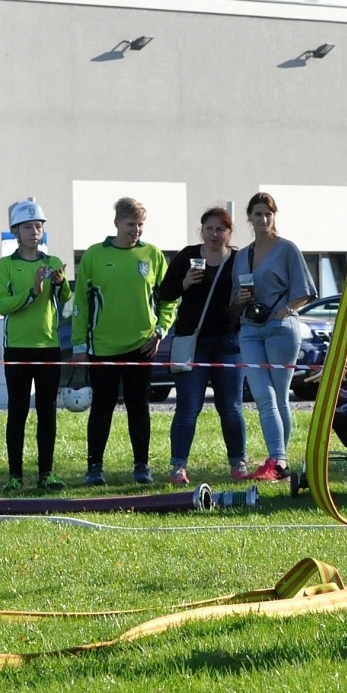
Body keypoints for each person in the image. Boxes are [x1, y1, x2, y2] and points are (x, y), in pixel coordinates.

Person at [71, 196, 175, 487]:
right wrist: (79, 345)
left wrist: (160, 332)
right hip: (102, 347)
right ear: (117, 223)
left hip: (142, 345)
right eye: (131, 224)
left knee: (138, 406)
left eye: (140, 225)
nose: (136, 230)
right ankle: (94, 467)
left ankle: (142, 465)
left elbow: (169, 300)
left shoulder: (153, 255)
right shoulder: (93, 255)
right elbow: (81, 304)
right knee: (102, 407)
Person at [158, 206, 247, 485]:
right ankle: (178, 467)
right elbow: (164, 292)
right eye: (209, 228)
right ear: (201, 231)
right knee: (187, 406)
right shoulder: (188, 255)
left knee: (231, 407)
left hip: (229, 341)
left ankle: (238, 463)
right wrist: (184, 282)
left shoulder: (240, 260)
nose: (214, 233)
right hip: (191, 342)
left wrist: (245, 300)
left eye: (220, 228)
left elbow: (252, 296)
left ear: (230, 233)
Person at [233, 192, 315, 483]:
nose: (263, 219)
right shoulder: (242, 255)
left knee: (279, 396)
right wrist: (241, 299)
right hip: (250, 330)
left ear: (274, 217)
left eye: (268, 214)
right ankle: (277, 459)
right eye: (257, 214)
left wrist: (283, 312)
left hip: (281, 329)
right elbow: (233, 300)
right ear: (250, 218)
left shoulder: (287, 249)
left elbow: (304, 291)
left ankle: (278, 460)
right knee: (263, 395)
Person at [0, 199, 70, 493]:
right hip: (18, 348)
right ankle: (15, 475)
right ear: (16, 230)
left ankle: (46, 473)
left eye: (38, 226)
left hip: (48, 347)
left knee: (47, 411)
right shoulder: (5, 265)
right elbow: (3, 305)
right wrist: (32, 292)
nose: (34, 231)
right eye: (28, 227)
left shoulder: (52, 262)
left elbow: (64, 299)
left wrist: (61, 284)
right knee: (18, 411)